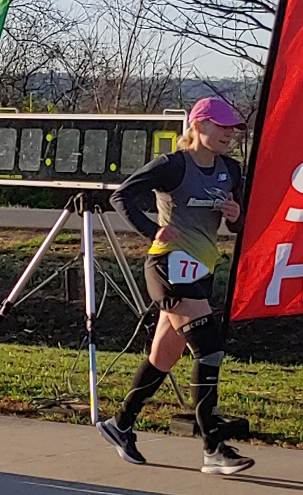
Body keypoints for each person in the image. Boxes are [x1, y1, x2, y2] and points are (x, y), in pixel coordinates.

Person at [99, 96, 254, 475]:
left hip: (202, 268)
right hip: (168, 265)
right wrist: (152, 230)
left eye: (233, 129)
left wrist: (235, 216)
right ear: (198, 126)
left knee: (163, 357)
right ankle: (213, 448)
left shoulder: (230, 170)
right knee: (210, 348)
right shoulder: (172, 165)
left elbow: (238, 224)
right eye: (222, 127)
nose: (229, 135)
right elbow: (121, 195)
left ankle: (120, 424)